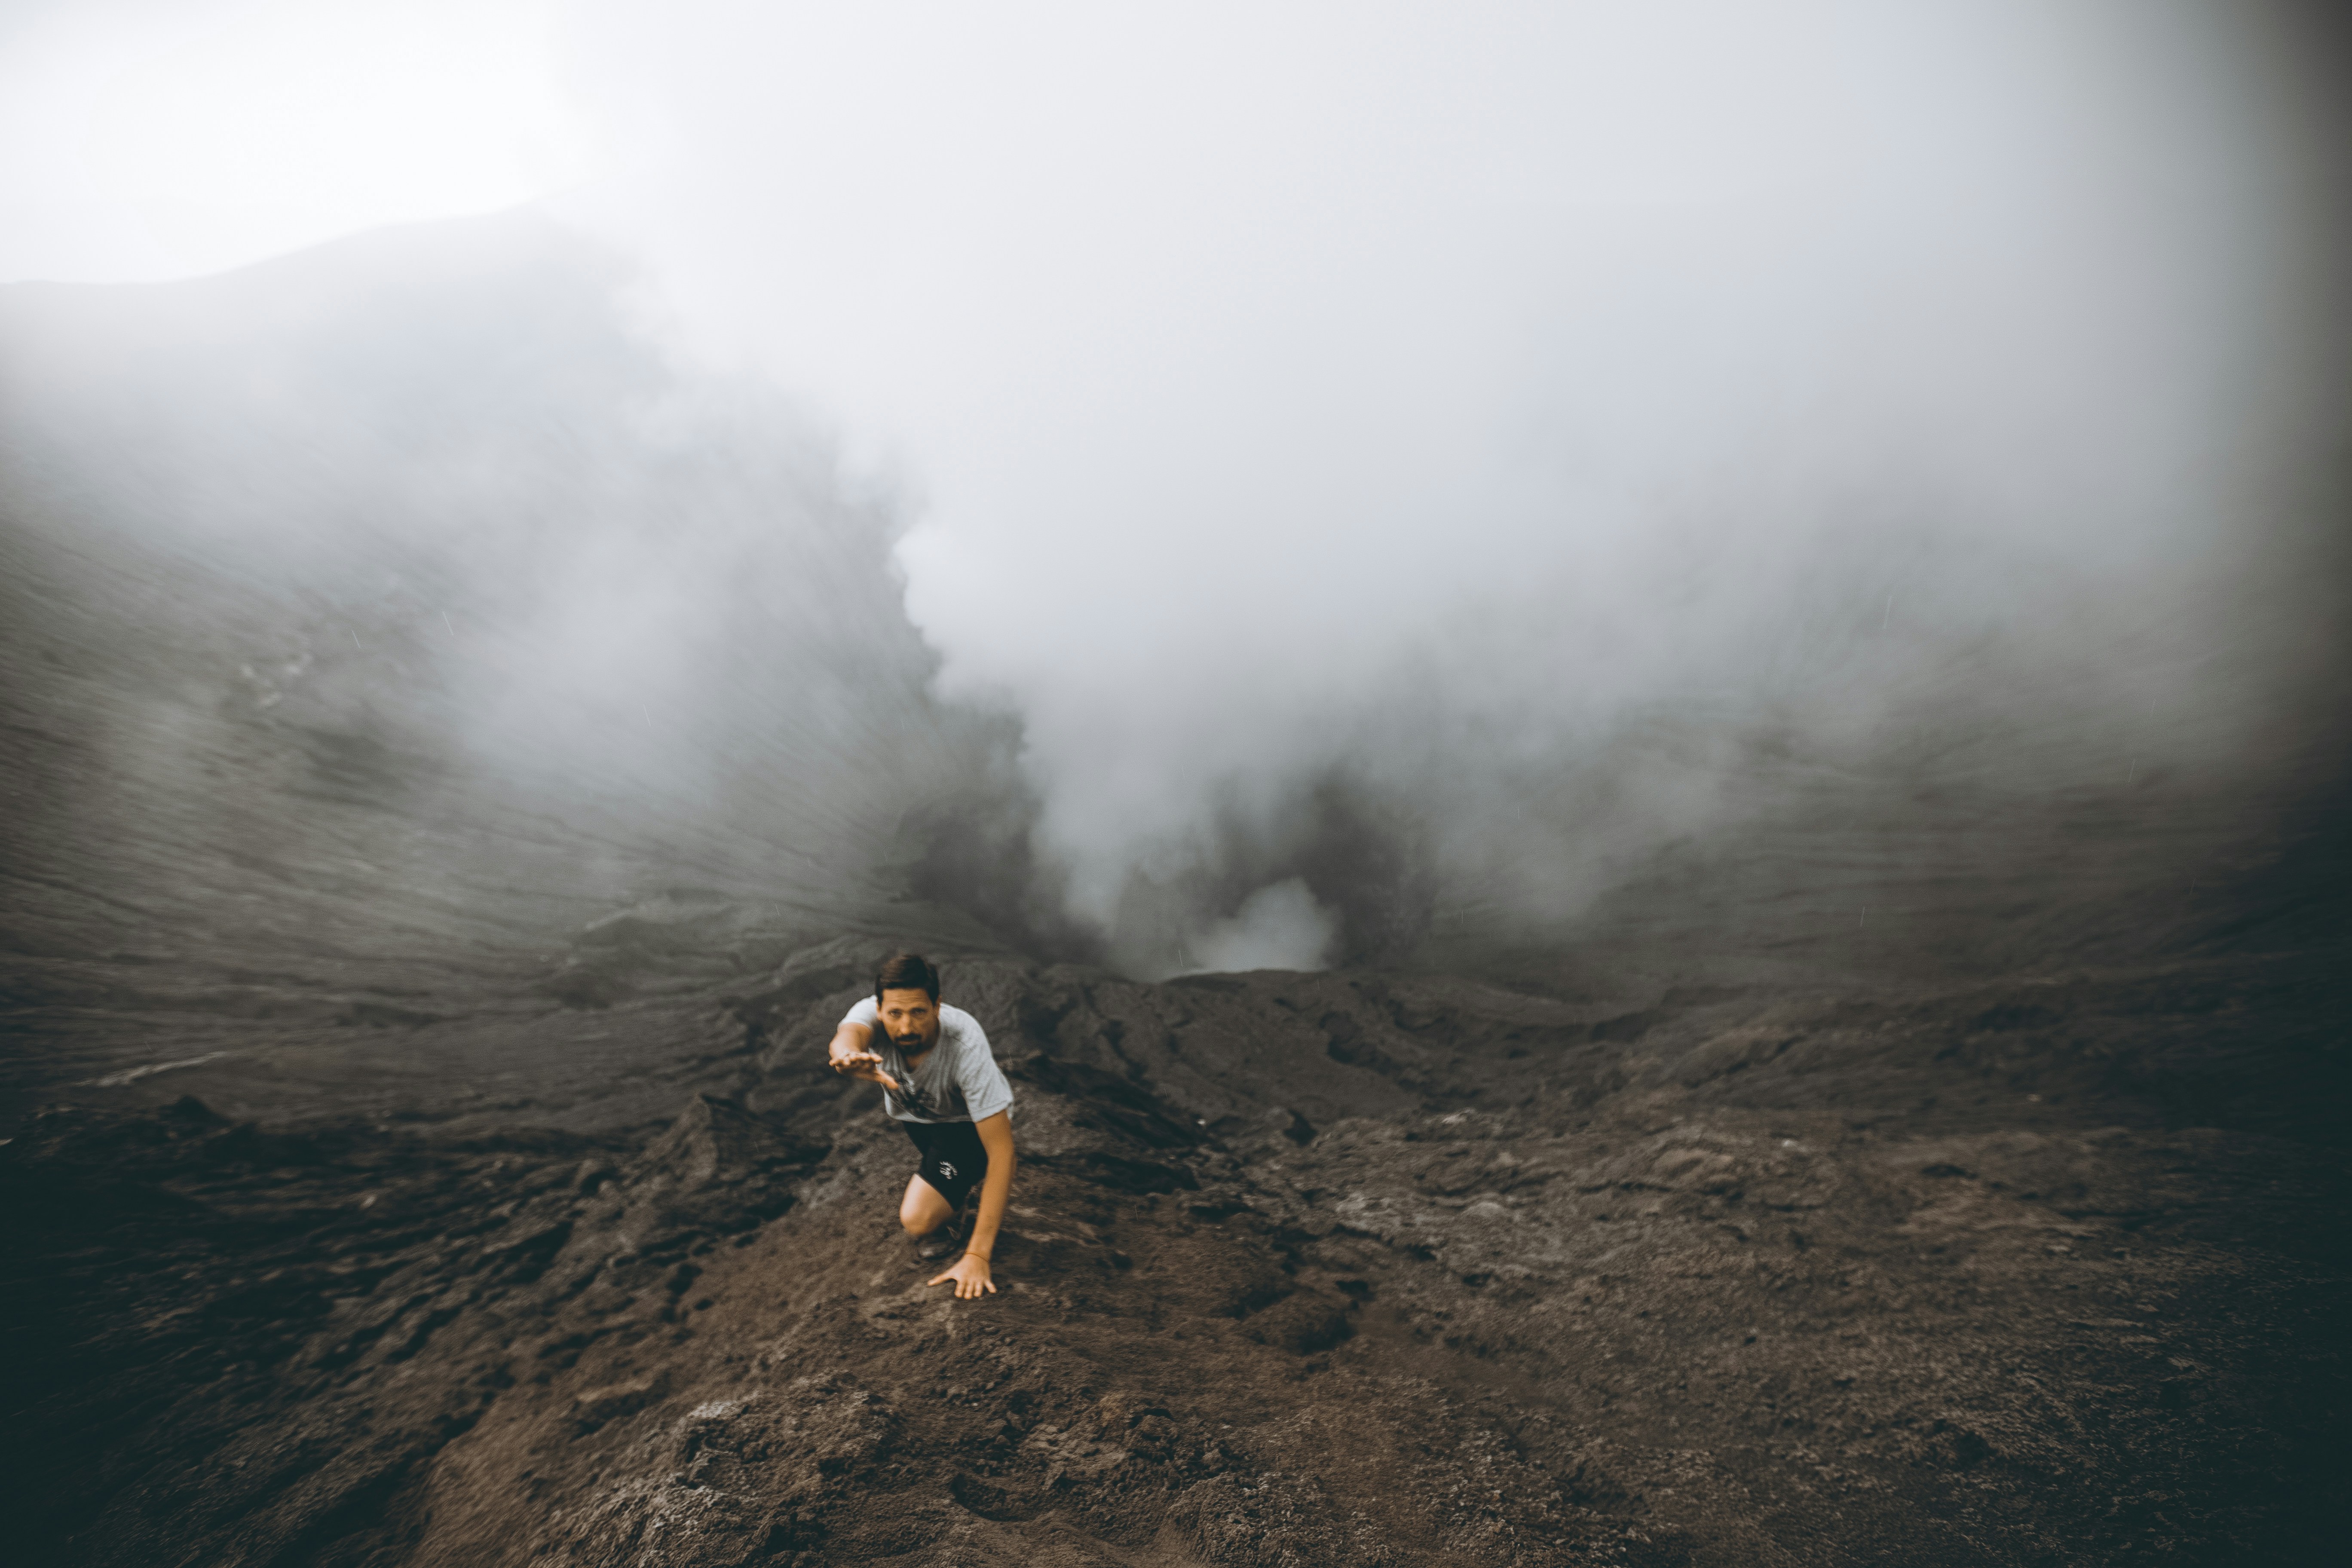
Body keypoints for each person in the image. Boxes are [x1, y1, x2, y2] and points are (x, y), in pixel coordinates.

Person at [827, 951, 1016, 1300]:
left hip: (965, 1127)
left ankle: (954, 1211)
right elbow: (846, 1036)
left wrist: (978, 1255)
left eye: (918, 1012)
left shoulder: (964, 1047)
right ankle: (952, 1185)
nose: (906, 1027)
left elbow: (1002, 1152)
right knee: (939, 1169)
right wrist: (847, 1056)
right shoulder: (873, 1012)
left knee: (918, 1219)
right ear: (879, 1008)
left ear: (937, 1006)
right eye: (895, 1014)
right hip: (919, 1119)